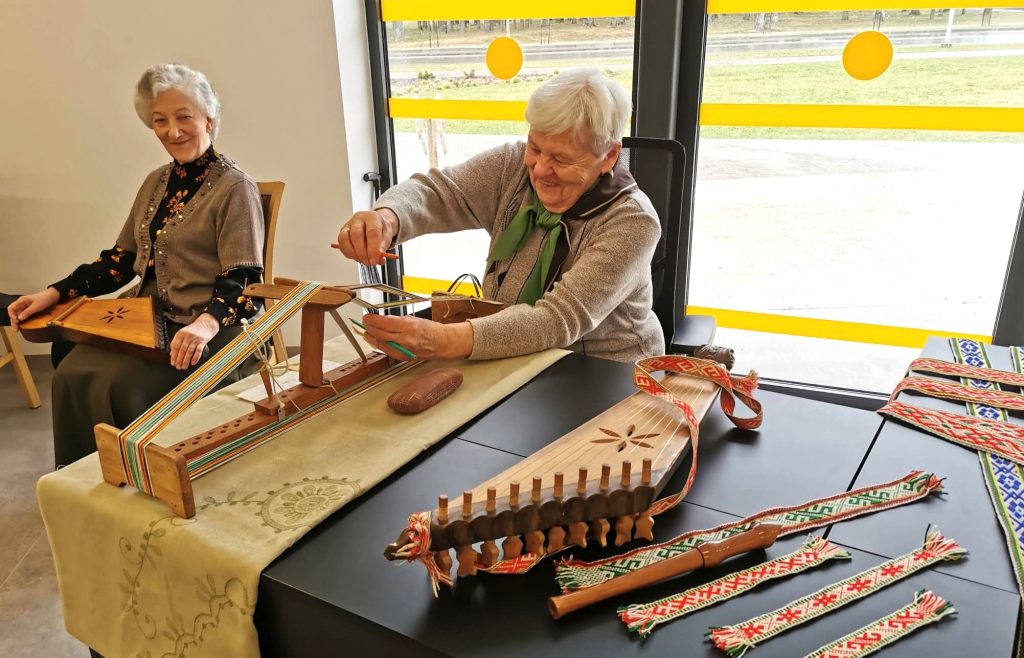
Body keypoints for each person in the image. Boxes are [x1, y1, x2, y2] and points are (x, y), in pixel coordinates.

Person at [6, 63, 265, 467]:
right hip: (146, 321)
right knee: (71, 374)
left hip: (210, 328)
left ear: (209, 120)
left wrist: (204, 324)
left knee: (116, 386)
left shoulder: (236, 188)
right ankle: (86, 484)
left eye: (184, 117)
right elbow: (119, 262)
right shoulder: (155, 182)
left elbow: (244, 279)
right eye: (160, 121)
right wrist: (51, 293)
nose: (172, 131)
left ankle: (139, 480)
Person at [335, 68, 664, 363]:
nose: (539, 168)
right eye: (535, 147)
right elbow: (439, 192)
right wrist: (386, 218)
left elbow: (557, 320)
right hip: (512, 357)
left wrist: (443, 339)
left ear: (608, 156)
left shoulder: (632, 222)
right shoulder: (512, 167)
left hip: (604, 373)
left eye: (561, 159)